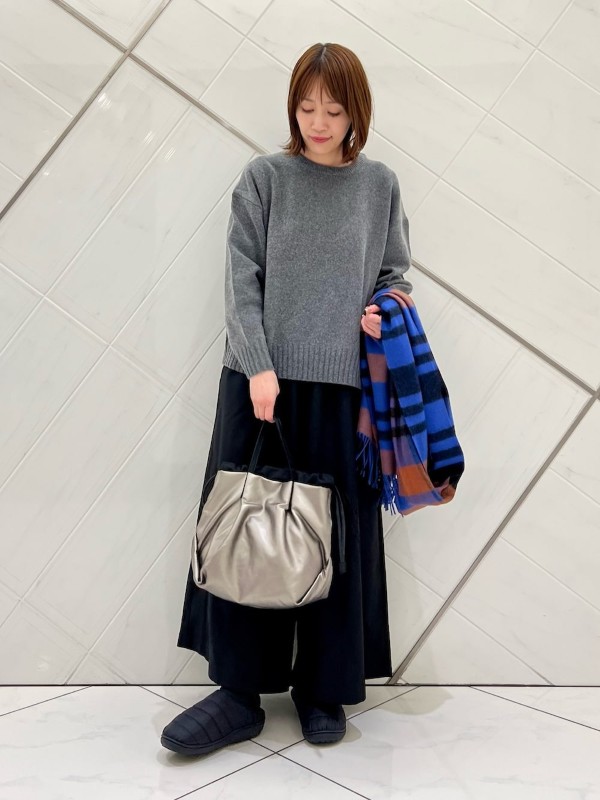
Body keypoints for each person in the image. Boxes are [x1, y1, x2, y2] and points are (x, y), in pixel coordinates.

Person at [161, 41, 413, 756]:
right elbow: (240, 279)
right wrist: (259, 367)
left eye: (333, 109)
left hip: (343, 388)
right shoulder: (264, 178)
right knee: (245, 528)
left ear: (356, 112)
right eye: (306, 108)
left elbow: (395, 274)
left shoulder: (379, 185)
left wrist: (383, 308)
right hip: (260, 384)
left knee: (334, 543)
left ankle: (322, 689)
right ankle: (239, 693)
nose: (318, 122)